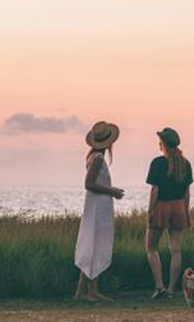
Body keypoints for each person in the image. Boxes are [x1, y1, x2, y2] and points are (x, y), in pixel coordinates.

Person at [74, 121, 125, 301]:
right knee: (95, 244)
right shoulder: (97, 158)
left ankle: (83, 292)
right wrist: (113, 191)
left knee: (93, 245)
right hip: (97, 206)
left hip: (97, 205)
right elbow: (89, 184)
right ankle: (89, 292)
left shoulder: (94, 156)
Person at [145, 127, 194, 299]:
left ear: (163, 144)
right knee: (176, 250)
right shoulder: (186, 163)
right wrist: (186, 211)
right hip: (179, 206)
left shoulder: (157, 163)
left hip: (162, 207)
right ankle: (172, 289)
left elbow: (155, 190)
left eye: (160, 141)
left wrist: (150, 210)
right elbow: (187, 193)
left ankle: (160, 287)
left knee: (151, 247)